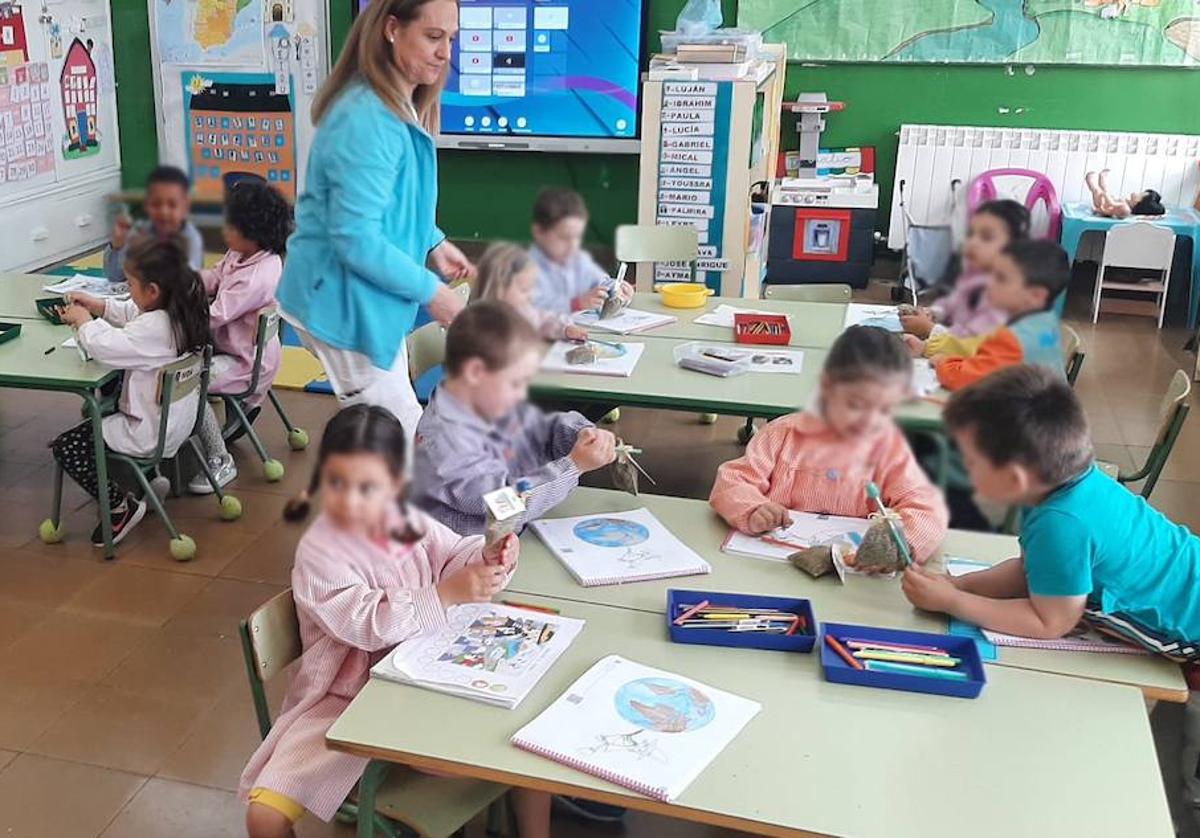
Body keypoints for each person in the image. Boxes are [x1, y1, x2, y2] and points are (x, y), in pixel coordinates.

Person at [898, 365, 1200, 837]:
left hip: (1193, 637)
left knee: (1189, 775)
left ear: (1016, 477)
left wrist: (954, 604)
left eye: (972, 462)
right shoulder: (1076, 488)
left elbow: (1050, 619)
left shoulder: (1062, 523)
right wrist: (964, 584)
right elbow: (1034, 573)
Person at [240, 405, 551, 838]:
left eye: (369, 487)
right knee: (264, 816)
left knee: (524, 734)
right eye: (337, 483)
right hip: (345, 698)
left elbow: (452, 555)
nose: (351, 500)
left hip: (427, 674)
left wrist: (487, 557)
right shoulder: (320, 552)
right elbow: (366, 623)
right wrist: (446, 594)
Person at [274, 0, 475, 452]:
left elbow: (393, 201)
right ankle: (375, 518)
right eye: (433, 36)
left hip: (360, 293)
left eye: (452, 39)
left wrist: (431, 241)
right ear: (391, 29)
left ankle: (385, 513)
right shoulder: (367, 118)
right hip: (338, 299)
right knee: (394, 441)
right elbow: (356, 238)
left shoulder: (395, 102)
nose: (446, 53)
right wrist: (433, 292)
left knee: (396, 433)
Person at [709, 326, 949, 563]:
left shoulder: (888, 450)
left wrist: (900, 543)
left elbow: (926, 509)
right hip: (773, 563)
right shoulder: (782, 433)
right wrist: (753, 509)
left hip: (851, 574)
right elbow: (732, 481)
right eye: (855, 404)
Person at [55, 238, 210, 546]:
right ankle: (149, 480)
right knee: (107, 407)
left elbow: (107, 348)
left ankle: (120, 508)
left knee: (68, 446)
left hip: (149, 432)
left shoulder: (155, 328)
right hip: (179, 423)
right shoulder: (182, 311)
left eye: (131, 285)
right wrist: (99, 306)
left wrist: (85, 322)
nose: (129, 291)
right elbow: (134, 314)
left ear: (152, 291)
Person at [412, 301, 616, 536]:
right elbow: (501, 504)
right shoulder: (445, 441)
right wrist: (572, 466)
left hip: (512, 528)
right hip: (467, 547)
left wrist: (579, 433)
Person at [188, 180, 293, 494]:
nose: (225, 231)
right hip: (239, 349)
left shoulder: (259, 275)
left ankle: (220, 459)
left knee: (188, 384)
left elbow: (214, 315)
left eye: (230, 226)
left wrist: (172, 307)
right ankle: (242, 412)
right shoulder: (241, 253)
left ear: (252, 231)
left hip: (245, 362)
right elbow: (216, 277)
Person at [905, 239, 1068, 391]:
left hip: (1021, 417)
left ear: (1036, 296)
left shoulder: (1011, 339)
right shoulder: (1047, 322)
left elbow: (967, 378)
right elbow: (986, 361)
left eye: (1001, 279)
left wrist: (942, 363)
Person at [899, 199, 1029, 345]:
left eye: (986, 237)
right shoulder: (975, 274)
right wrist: (933, 313)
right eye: (971, 234)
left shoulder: (1005, 295)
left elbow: (972, 344)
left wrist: (929, 329)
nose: (973, 243)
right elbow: (952, 303)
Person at [529, 188, 633, 317]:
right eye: (564, 237)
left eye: (577, 236)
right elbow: (529, 309)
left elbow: (600, 282)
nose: (573, 245)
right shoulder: (526, 268)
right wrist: (575, 304)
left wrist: (616, 290)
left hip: (586, 332)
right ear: (539, 232)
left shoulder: (579, 260)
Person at [104, 165, 204, 283]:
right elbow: (115, 277)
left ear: (185, 207)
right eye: (156, 204)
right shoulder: (140, 231)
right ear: (146, 205)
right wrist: (118, 245)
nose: (164, 212)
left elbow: (186, 284)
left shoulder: (191, 239)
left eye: (172, 205)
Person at [475, 241, 587, 341]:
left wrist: (565, 329)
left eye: (531, 288)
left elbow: (545, 321)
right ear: (499, 287)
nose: (530, 295)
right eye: (524, 290)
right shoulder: (477, 323)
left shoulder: (524, 310)